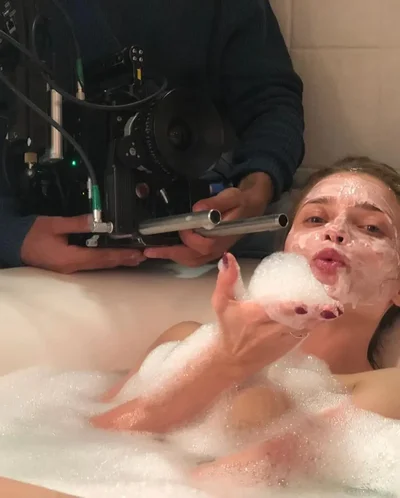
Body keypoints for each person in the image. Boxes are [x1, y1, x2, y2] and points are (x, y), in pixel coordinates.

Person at [89, 156, 400, 481]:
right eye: (315, 219)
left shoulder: (389, 390)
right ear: (284, 253)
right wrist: (223, 363)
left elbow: (222, 482)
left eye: (371, 227)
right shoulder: (182, 342)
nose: (335, 231)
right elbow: (83, 442)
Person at [0, 0, 304, 273]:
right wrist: (13, 235)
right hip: (34, 243)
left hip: (199, 232)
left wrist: (254, 192)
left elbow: (271, 102)